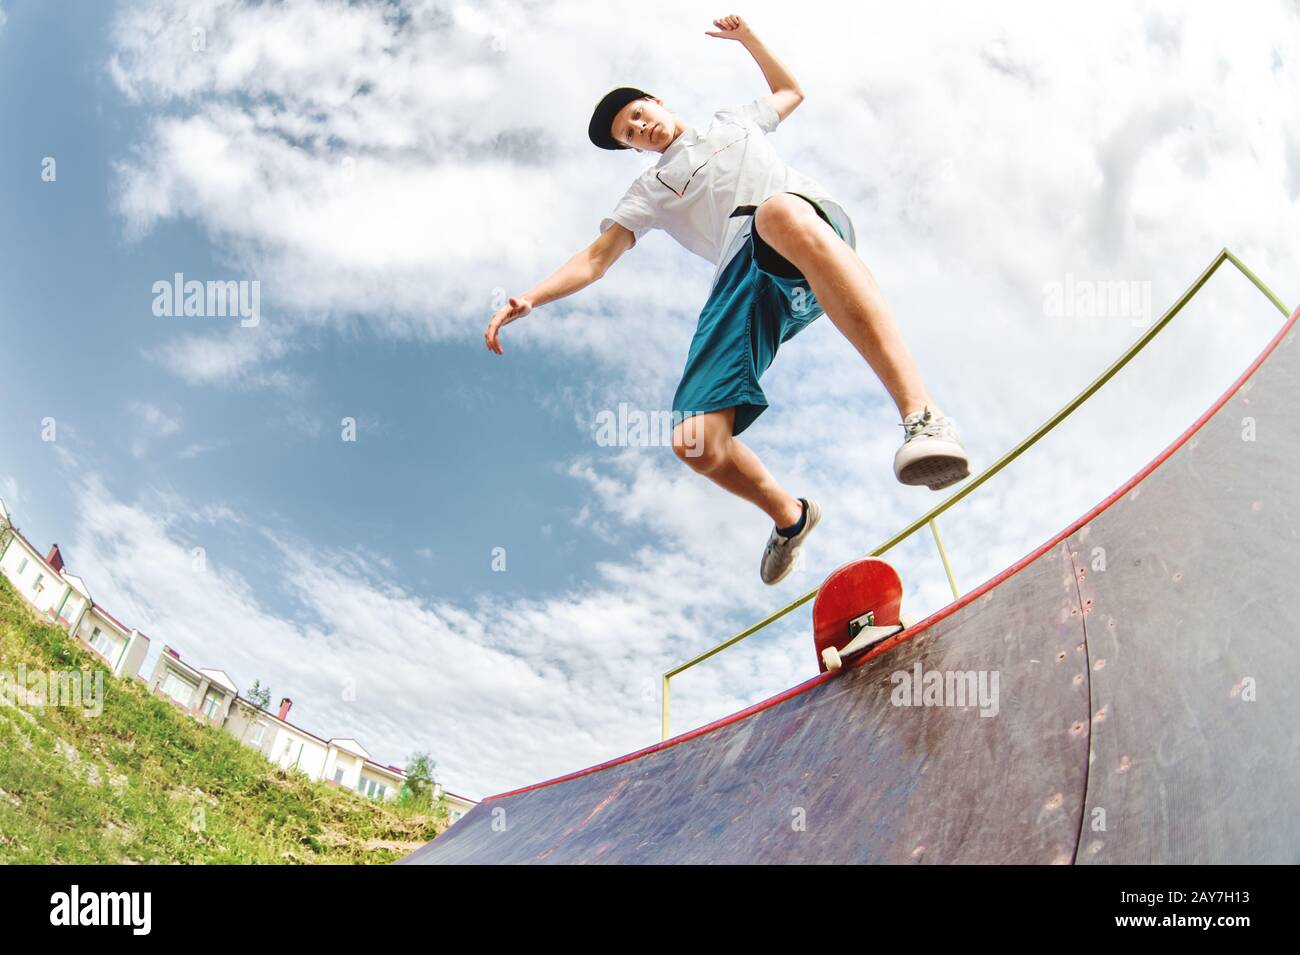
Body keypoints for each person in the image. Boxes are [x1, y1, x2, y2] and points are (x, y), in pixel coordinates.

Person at [485, 14, 971, 585]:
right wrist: (531, 299)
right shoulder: (648, 191)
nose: (641, 129)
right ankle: (790, 519)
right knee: (693, 441)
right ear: (631, 149)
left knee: (778, 211)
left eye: (640, 116)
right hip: (742, 278)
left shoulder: (731, 123)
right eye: (630, 135)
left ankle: (924, 418)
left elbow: (791, 92)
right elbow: (597, 258)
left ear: (657, 103)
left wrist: (749, 41)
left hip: (807, 228)